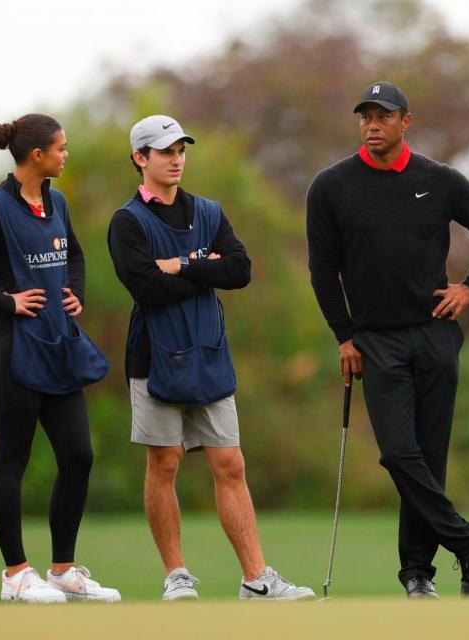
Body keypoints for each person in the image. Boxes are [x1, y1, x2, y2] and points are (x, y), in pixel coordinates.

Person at [306, 82, 469, 598]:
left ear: (406, 122)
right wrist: (344, 336)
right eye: (365, 116)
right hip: (376, 340)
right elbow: (322, 270)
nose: (372, 125)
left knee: (429, 458)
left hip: (436, 334)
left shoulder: (437, 180)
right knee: (399, 454)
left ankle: (419, 573)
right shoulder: (331, 186)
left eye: (383, 116)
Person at [107, 115, 314, 601]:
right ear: (141, 158)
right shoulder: (127, 223)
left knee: (231, 463)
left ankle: (256, 578)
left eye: (181, 150)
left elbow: (240, 270)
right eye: (165, 151)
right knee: (165, 462)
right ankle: (176, 575)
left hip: (208, 353)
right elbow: (146, 287)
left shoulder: (210, 212)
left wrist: (183, 263)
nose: (176, 158)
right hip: (155, 357)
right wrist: (208, 269)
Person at [0, 114, 119, 603]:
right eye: (60, 148)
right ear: (36, 155)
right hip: (12, 348)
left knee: (79, 455)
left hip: (59, 345)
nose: (65, 154)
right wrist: (5, 299)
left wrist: (74, 293)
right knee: (12, 459)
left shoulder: (56, 201)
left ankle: (62, 571)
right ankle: (16, 574)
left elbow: (74, 256)